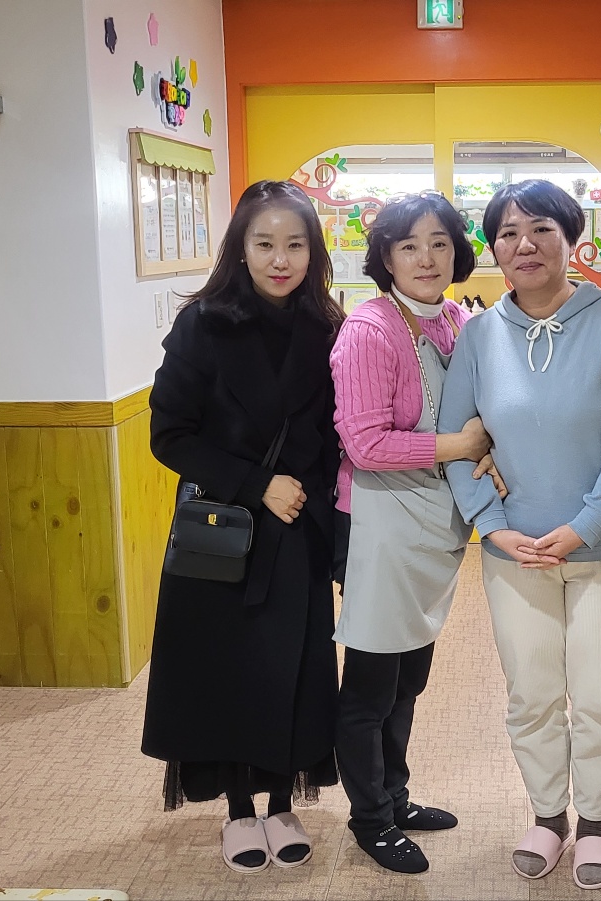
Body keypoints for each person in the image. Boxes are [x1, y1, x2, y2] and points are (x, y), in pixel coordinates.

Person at [439, 179, 601, 891]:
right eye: (507, 232)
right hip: (514, 554)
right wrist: (492, 527)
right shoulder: (478, 336)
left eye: (540, 228)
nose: (523, 245)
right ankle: (547, 816)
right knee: (531, 693)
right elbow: (460, 442)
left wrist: (584, 526)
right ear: (493, 248)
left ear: (572, 239)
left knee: (599, 695)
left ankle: (594, 825)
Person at [141, 180, 345, 876]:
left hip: (300, 528)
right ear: (240, 248)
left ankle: (282, 801)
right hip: (226, 530)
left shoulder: (329, 326)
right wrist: (258, 484)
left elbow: (336, 433)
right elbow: (169, 434)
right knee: (225, 668)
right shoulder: (203, 323)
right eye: (264, 244)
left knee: (294, 667)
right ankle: (236, 808)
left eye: (295, 245)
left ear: (313, 252)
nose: (280, 259)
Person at [328, 191, 491, 874]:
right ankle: (370, 818)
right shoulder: (369, 330)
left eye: (439, 243)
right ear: (385, 257)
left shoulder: (456, 320)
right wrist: (461, 446)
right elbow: (365, 444)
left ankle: (395, 796)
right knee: (371, 684)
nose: (426, 258)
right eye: (408, 245)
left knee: (409, 679)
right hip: (377, 524)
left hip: (431, 525)